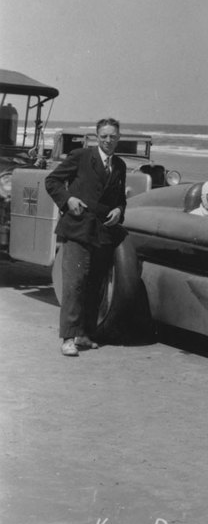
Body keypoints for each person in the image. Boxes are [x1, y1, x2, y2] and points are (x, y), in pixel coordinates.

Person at [44, 117, 127, 357]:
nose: (108, 140)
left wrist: (119, 211)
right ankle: (68, 338)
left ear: (118, 138)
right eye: (104, 136)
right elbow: (52, 181)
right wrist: (67, 199)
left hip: (103, 232)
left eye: (113, 136)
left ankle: (84, 334)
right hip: (78, 228)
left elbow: (120, 198)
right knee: (74, 284)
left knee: (94, 286)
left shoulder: (119, 165)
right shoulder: (81, 157)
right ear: (96, 137)